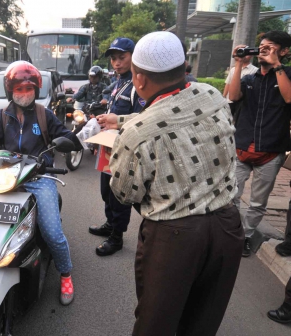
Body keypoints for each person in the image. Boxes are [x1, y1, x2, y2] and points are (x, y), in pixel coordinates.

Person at [98, 31, 243, 335]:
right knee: (203, 322)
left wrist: (120, 147)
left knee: (157, 324)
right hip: (228, 227)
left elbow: (124, 194)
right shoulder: (212, 95)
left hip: (175, 238)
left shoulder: (136, 134)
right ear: (182, 68)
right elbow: (175, 114)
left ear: (138, 79)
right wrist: (121, 122)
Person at [0, 61, 82, 306]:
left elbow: (66, 138)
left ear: (36, 90)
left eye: (28, 89)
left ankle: (65, 273)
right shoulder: (2, 116)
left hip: (37, 179)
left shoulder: (45, 115)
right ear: (9, 91)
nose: (23, 94)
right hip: (3, 178)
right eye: (18, 89)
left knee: (53, 233)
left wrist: (70, 141)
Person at [228, 31, 291, 257]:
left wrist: (276, 66)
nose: (263, 50)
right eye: (261, 47)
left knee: (257, 202)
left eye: (270, 47)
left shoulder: (287, 75)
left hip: (271, 151)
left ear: (284, 51)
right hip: (242, 146)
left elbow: (289, 98)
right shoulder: (249, 78)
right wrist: (238, 64)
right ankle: (232, 234)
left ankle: (246, 236)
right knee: (231, 195)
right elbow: (233, 96)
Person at [89, 37, 144, 257]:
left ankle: (117, 237)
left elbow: (142, 118)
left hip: (125, 150)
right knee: (106, 191)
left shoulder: (138, 83)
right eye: (113, 59)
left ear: (133, 57)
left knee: (119, 195)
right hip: (108, 146)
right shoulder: (119, 81)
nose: (116, 63)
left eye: (122, 57)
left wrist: (116, 120)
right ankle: (110, 224)